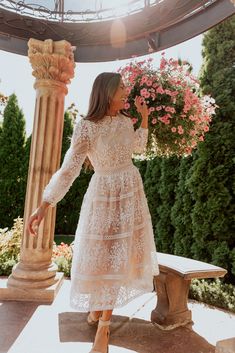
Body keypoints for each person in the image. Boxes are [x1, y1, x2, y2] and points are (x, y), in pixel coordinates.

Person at [27, 72, 159, 353]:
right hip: (103, 196)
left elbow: (138, 147)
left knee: (118, 257)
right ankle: (98, 310)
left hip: (130, 194)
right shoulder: (86, 127)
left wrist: (144, 118)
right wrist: (43, 206)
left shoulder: (126, 122)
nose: (126, 90)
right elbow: (69, 169)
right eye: (121, 87)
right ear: (107, 91)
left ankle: (103, 329)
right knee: (103, 259)